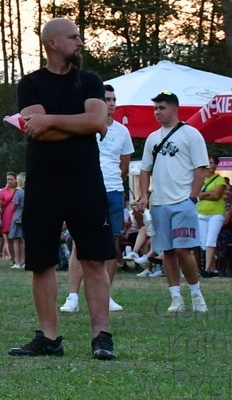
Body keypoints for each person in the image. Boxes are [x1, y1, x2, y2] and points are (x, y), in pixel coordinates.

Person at [8, 18, 116, 362]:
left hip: (86, 182)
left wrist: (52, 120)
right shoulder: (31, 83)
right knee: (41, 263)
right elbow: (35, 132)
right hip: (43, 184)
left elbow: (97, 121)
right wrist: (79, 125)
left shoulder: (90, 81)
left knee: (94, 260)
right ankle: (49, 338)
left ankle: (102, 337)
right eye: (73, 37)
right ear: (52, 43)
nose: (80, 42)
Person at [136, 90, 210, 314]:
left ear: (175, 109)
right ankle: (176, 297)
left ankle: (196, 294)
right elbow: (144, 170)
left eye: (162, 108)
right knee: (166, 251)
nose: (157, 112)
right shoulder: (152, 138)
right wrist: (144, 195)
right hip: (159, 202)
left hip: (182, 201)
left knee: (183, 250)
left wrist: (193, 197)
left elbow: (201, 168)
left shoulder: (191, 134)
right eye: (155, 108)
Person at [62, 83, 133, 313]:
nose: (111, 103)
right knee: (79, 243)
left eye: (113, 99)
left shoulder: (123, 132)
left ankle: (106, 295)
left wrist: (112, 184)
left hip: (113, 192)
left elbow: (124, 167)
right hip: (86, 190)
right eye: (106, 99)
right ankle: (73, 296)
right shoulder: (86, 126)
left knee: (110, 245)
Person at [197, 155, 230, 277]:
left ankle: (207, 268)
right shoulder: (199, 179)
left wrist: (203, 194)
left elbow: (217, 196)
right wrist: (208, 193)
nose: (211, 165)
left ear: (216, 165)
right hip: (201, 213)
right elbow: (196, 194)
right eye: (209, 163)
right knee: (204, 242)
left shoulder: (219, 180)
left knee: (211, 240)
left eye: (213, 163)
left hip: (216, 214)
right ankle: (210, 266)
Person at [10, 173, 26, 269]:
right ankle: (25, 260)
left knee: (16, 239)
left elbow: (14, 206)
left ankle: (17, 262)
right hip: (26, 216)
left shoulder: (19, 192)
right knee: (24, 240)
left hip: (18, 216)